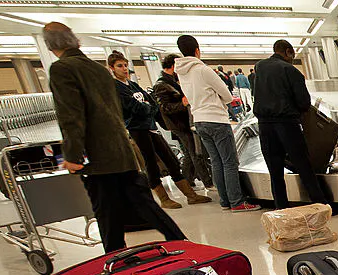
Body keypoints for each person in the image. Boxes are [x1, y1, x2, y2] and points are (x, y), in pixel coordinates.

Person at [42, 22, 185, 253]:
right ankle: (181, 242)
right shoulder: (98, 69)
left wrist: (72, 155)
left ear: (49, 47)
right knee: (145, 204)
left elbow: (71, 115)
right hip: (121, 150)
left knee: (107, 214)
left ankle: (115, 258)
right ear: (75, 40)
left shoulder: (62, 69)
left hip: (97, 158)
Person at [108, 51, 211, 210]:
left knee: (170, 159)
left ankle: (190, 194)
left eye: (125, 65)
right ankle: (163, 198)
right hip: (137, 130)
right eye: (120, 66)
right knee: (151, 164)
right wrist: (147, 109)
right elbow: (134, 107)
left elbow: (152, 103)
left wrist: (147, 109)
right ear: (112, 68)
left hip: (150, 128)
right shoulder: (116, 88)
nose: (124, 69)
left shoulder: (132, 85)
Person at [175, 35, 259, 212]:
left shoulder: (181, 73)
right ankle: (236, 201)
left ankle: (225, 201)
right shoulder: (202, 70)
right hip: (216, 119)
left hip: (199, 120)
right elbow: (227, 95)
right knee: (229, 162)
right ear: (197, 50)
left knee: (216, 161)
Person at [253, 39, 329, 209]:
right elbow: (303, 102)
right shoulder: (291, 71)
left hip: (264, 124)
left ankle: (281, 208)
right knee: (303, 165)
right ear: (288, 52)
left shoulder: (260, 67)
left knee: (275, 171)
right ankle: (320, 204)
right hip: (287, 124)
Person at [151, 54, 216, 195]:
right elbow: (165, 108)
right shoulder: (162, 85)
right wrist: (183, 103)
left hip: (184, 123)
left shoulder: (174, 81)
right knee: (195, 152)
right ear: (173, 66)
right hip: (178, 124)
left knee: (189, 152)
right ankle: (207, 182)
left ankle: (187, 180)